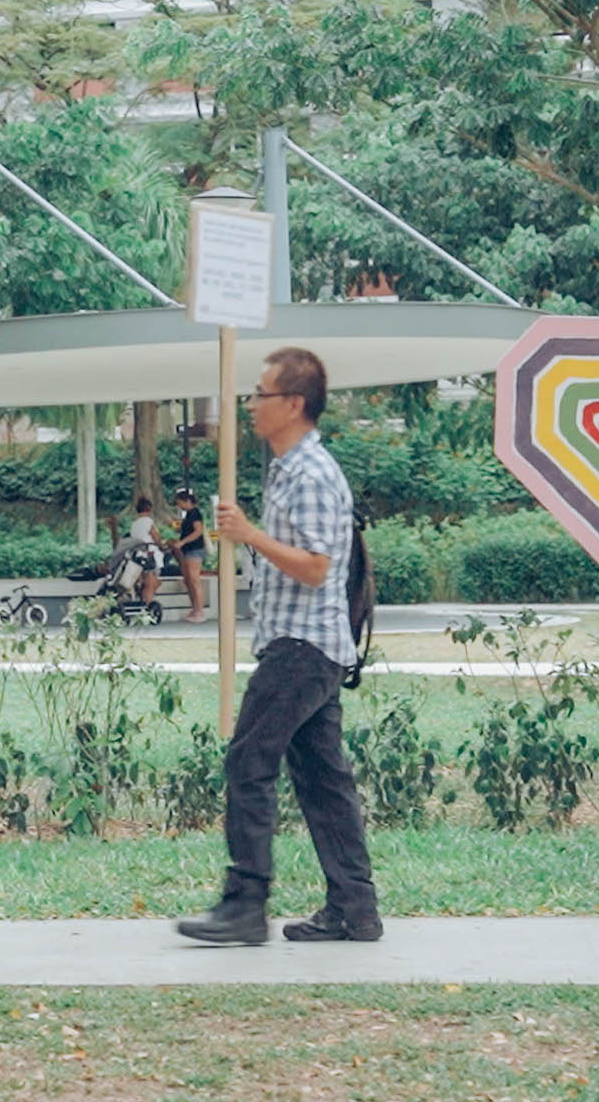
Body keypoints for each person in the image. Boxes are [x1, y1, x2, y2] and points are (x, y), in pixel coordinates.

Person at [177, 346, 382, 946]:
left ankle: (245, 905)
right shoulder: (288, 469)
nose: (251, 404)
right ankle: (355, 908)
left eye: (261, 394)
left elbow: (317, 567)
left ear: (292, 404)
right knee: (323, 781)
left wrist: (248, 535)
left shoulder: (313, 474)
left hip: (304, 646)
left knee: (249, 760)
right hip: (303, 644)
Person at [169, 489, 208, 622]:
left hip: (195, 549)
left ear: (187, 501)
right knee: (188, 580)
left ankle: (200, 612)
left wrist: (182, 542)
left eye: (180, 503)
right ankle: (195, 609)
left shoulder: (195, 513)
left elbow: (198, 531)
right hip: (187, 550)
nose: (179, 506)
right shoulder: (188, 515)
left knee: (194, 579)